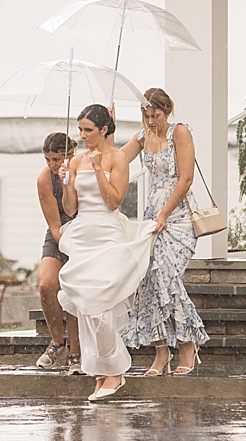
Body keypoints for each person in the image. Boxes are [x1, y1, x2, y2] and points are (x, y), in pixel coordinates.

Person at [57, 104, 157, 401]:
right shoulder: (74, 161)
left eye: (88, 130)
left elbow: (114, 201)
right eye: (80, 130)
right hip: (83, 234)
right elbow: (70, 208)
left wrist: (99, 168)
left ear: (104, 130)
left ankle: (115, 371)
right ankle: (100, 371)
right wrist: (65, 183)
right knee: (86, 308)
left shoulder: (117, 159)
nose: (83, 135)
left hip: (107, 234)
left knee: (99, 306)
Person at [119, 87, 210, 375]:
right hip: (152, 218)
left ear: (166, 111)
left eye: (155, 115)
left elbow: (185, 179)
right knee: (148, 280)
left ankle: (186, 343)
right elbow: (118, 160)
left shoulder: (179, 132)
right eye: (145, 115)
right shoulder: (143, 136)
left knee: (167, 276)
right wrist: (108, 132)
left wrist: (165, 214)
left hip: (178, 217)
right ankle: (161, 351)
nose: (150, 121)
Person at [35, 132, 83, 373]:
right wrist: (66, 245)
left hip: (84, 230)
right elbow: (54, 225)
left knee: (71, 286)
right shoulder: (45, 179)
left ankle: (77, 352)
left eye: (56, 159)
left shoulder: (82, 169)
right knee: (46, 283)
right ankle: (57, 343)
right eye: (48, 159)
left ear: (69, 155)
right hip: (59, 232)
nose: (52, 165)